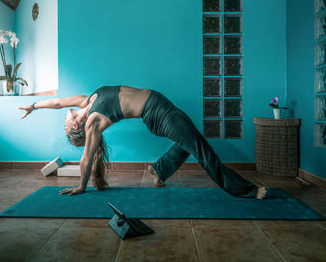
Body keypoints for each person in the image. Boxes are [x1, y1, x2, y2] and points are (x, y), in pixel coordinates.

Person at [19, 85, 267, 199]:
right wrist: (82, 187)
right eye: (65, 125)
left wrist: (32, 106)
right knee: (201, 149)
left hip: (161, 106)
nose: (64, 116)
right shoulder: (93, 120)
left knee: (191, 142)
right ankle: (244, 190)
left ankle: (159, 170)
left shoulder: (88, 102)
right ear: (76, 126)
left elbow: (57, 101)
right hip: (158, 115)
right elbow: (86, 158)